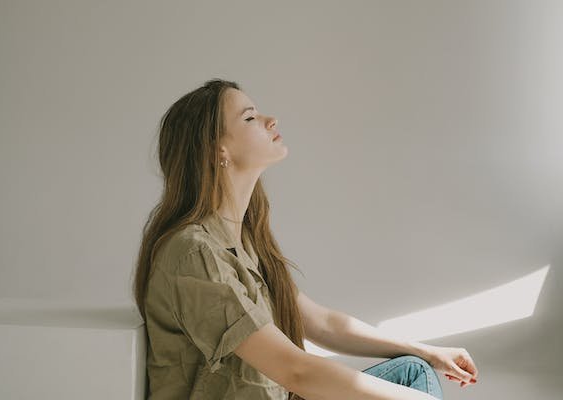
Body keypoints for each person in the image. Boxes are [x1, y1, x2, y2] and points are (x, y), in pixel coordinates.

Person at [132, 78, 479, 400]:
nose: (271, 120)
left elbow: (322, 323)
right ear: (216, 150)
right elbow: (295, 371)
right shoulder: (193, 253)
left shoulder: (243, 241)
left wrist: (427, 350)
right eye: (250, 118)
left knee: (413, 370)